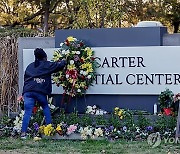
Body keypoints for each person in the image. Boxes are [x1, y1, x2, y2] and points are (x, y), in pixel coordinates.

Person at [21, 48, 66, 139]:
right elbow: (59, 65)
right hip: (40, 91)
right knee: (45, 107)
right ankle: (49, 128)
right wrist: (66, 60)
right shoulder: (46, 65)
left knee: (27, 112)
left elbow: (25, 78)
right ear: (44, 57)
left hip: (28, 92)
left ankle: (23, 133)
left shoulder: (30, 66)